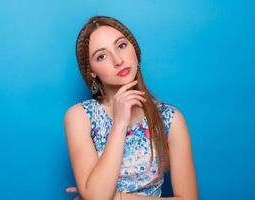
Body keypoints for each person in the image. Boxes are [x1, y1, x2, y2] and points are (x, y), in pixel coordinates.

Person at [63, 16, 198, 200]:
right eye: (101, 56)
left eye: (121, 46)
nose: (118, 60)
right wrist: (119, 124)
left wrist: (118, 197)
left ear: (134, 49)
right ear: (91, 71)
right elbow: (97, 197)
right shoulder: (80, 117)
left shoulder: (170, 118)